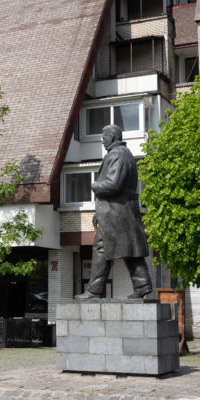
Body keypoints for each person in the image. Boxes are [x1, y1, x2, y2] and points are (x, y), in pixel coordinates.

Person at [75, 124, 153, 300]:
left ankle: (94, 291)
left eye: (104, 136)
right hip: (116, 213)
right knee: (128, 250)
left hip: (116, 214)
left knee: (103, 249)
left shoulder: (117, 154)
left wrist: (94, 186)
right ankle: (143, 286)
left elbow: (114, 183)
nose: (102, 140)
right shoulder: (124, 154)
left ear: (111, 137)